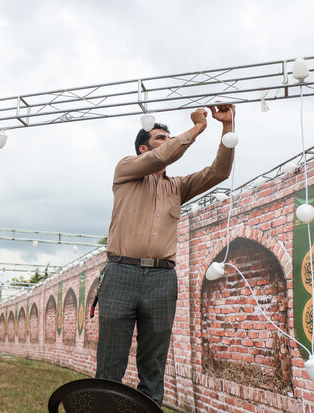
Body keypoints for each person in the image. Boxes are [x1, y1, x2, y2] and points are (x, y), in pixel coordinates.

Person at [96, 105, 236, 405]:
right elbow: (163, 156)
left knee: (154, 366)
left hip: (162, 279)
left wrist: (227, 127)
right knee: (110, 364)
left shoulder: (178, 186)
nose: (169, 141)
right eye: (162, 137)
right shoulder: (126, 169)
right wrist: (197, 130)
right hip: (121, 273)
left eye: (169, 137)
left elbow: (219, 171)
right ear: (143, 147)